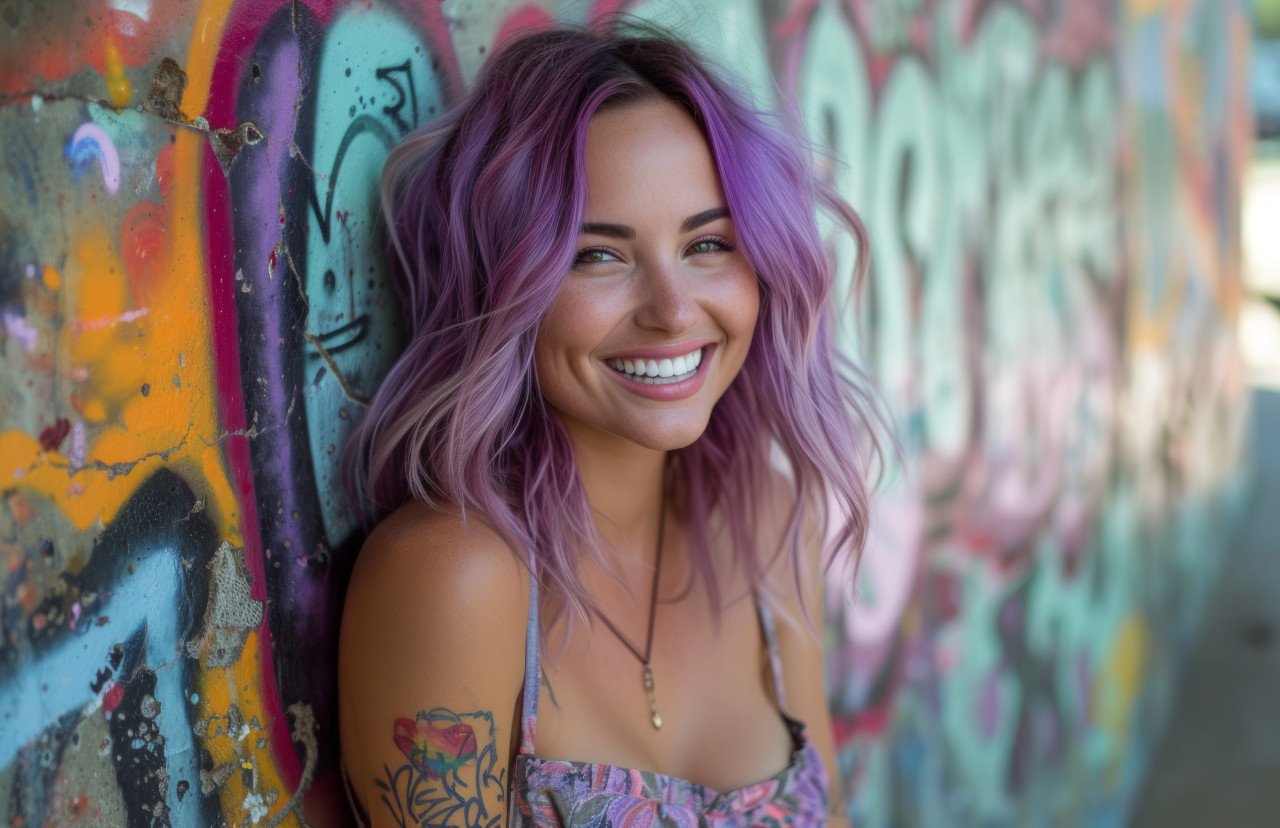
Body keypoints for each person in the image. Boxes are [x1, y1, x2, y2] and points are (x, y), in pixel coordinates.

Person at [338, 20, 878, 828]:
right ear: (505, 288)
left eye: (708, 243)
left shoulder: (770, 522)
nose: (672, 310)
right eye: (599, 255)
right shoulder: (455, 578)